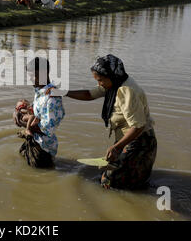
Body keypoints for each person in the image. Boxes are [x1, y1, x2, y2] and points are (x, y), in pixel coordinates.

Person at [65, 54, 157, 190]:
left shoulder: (125, 91)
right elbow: (89, 94)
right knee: (125, 179)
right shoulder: (114, 83)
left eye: (100, 80)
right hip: (128, 140)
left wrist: (117, 147)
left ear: (110, 76)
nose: (99, 84)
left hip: (140, 141)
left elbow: (138, 126)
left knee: (109, 181)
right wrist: (64, 92)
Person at [15, 57, 65, 168]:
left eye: (34, 76)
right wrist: (20, 111)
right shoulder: (40, 90)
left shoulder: (52, 97)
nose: (31, 79)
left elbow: (47, 129)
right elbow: (37, 112)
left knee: (42, 178)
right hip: (36, 141)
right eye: (30, 76)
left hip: (43, 149)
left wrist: (22, 122)